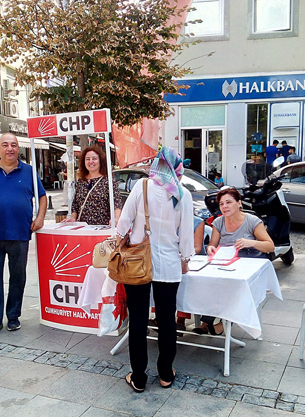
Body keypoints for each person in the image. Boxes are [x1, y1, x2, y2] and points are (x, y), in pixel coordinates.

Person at [116, 146, 194, 393]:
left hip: (138, 263)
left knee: (138, 319)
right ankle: (165, 374)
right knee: (166, 320)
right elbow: (186, 236)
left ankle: (138, 376)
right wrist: (185, 259)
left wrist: (119, 243)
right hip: (169, 265)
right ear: (176, 166)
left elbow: (124, 222)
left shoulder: (142, 186)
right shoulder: (183, 194)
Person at [0, 133, 48, 337]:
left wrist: (40, 218)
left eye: (13, 145)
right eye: (5, 145)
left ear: (18, 149)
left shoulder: (29, 171)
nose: (10, 148)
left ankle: (13, 316)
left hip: (20, 234)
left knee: (18, 277)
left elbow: (42, 196)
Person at [193, 187, 274, 335]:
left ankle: (218, 324)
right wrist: (211, 248)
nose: (224, 207)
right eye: (221, 204)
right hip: (226, 260)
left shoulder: (251, 221)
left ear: (239, 203)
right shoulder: (219, 222)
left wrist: (251, 243)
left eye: (228, 202)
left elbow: (270, 246)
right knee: (213, 282)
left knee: (232, 287)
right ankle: (208, 322)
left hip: (249, 260)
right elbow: (213, 244)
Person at [62, 145, 122, 226]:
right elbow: (76, 204)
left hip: (102, 228)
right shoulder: (81, 181)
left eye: (94, 159)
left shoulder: (109, 181)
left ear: (100, 161)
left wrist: (116, 219)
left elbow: (117, 203)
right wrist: (73, 218)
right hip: (83, 229)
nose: (91, 162)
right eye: (87, 159)